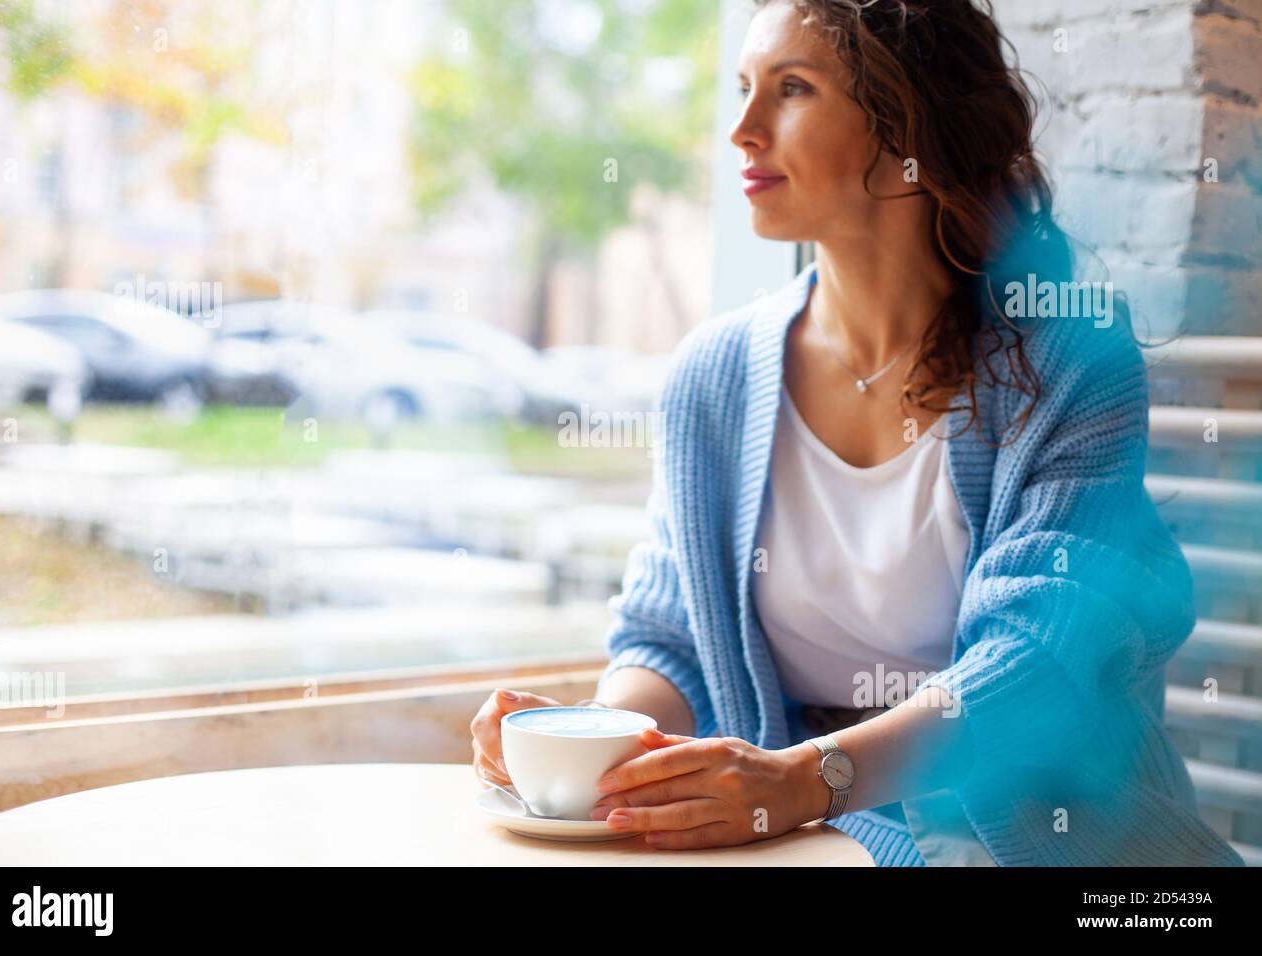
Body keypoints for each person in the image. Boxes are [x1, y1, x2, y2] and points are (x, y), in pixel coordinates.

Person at [470, 0, 1245, 866]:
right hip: (823, 844)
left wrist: (807, 779)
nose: (742, 131)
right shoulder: (714, 375)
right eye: (742, 89)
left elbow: (1040, 663)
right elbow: (669, 640)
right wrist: (590, 745)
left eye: (791, 89)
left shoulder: (1067, 361)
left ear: (906, 125)